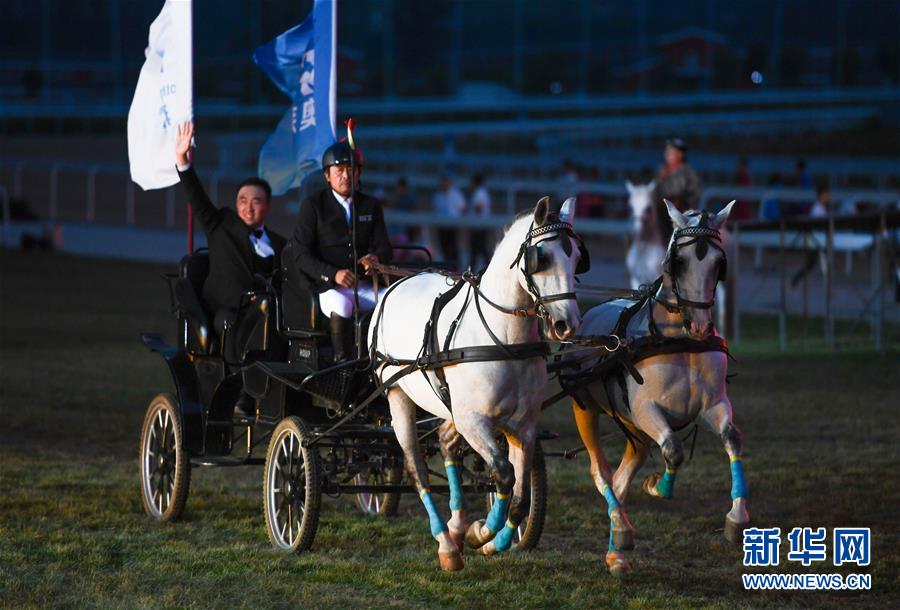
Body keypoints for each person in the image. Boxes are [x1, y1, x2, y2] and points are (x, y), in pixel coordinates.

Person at [174, 122, 287, 417]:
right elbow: (197, 199)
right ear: (236, 205)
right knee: (237, 324)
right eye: (243, 201)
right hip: (228, 310)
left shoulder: (279, 243)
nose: (249, 208)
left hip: (267, 310)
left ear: (268, 206)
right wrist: (183, 162)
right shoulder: (221, 225)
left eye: (256, 202)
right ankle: (239, 392)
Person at [292, 141, 392, 361]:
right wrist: (333, 273)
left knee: (393, 300)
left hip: (364, 284)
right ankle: (343, 365)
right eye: (339, 171)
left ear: (358, 174)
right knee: (342, 305)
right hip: (327, 287)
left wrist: (376, 259)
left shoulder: (370, 205)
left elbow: (385, 247)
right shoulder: (313, 205)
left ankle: (388, 361)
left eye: (351, 170)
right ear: (327, 175)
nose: (346, 176)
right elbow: (300, 253)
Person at [652, 137, 701, 246]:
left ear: (680, 154)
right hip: (662, 213)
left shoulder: (688, 173)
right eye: (667, 151)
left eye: (671, 152)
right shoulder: (662, 171)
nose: (667, 154)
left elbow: (694, 195)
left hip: (681, 214)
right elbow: (654, 192)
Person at [791, 184, 830, 287]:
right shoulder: (817, 209)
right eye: (825, 195)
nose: (827, 198)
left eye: (827, 195)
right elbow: (816, 225)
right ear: (820, 196)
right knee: (810, 265)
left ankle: (827, 287)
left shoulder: (822, 208)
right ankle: (795, 280)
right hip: (814, 240)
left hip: (820, 240)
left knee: (822, 263)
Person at [432, 174, 466, 267]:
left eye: (445, 183)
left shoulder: (456, 194)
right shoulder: (438, 196)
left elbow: (463, 208)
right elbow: (436, 210)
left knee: (454, 248)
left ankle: (456, 268)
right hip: (442, 226)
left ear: (449, 183)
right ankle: (446, 268)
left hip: (453, 225)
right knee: (444, 248)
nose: (444, 185)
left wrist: (457, 218)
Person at [467, 173, 492, 270]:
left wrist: (469, 210)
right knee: (479, 251)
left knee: (480, 251)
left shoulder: (480, 193)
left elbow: (478, 208)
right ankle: (475, 269)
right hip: (479, 225)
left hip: (479, 226)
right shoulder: (482, 192)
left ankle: (475, 270)